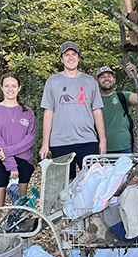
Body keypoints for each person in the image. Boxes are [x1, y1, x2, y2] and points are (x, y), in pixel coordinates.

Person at [39, 41, 107, 179]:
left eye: (74, 54)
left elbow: (97, 111)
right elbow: (48, 113)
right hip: (60, 141)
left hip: (87, 139)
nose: (71, 58)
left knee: (92, 179)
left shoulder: (90, 81)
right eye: (67, 55)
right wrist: (45, 143)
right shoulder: (52, 82)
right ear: (61, 59)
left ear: (78, 58)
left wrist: (103, 140)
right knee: (66, 183)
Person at [0, 73, 36, 212]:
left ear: (19, 88)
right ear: (1, 88)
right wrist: (11, 165)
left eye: (14, 86)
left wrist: (8, 152)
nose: (10, 89)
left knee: (19, 206)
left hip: (23, 160)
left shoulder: (28, 112)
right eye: (7, 86)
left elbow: (30, 139)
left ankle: (17, 227)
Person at [96, 65, 138, 153]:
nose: (106, 79)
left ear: (114, 80)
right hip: (102, 149)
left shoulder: (123, 96)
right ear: (97, 82)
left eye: (109, 76)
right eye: (102, 77)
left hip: (124, 148)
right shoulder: (94, 101)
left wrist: (136, 76)